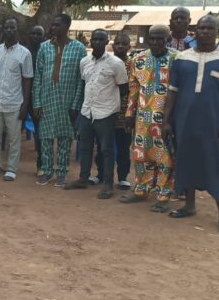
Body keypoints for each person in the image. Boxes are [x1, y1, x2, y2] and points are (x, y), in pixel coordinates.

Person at [163, 15, 219, 235]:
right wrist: (167, 120)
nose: (204, 31)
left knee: (218, 166)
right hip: (184, 121)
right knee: (186, 161)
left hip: (214, 124)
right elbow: (172, 93)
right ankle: (189, 205)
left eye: (209, 28)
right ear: (194, 31)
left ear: (217, 31)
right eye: (200, 28)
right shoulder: (182, 58)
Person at [119, 25, 178, 212]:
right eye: (152, 38)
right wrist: (129, 114)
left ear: (168, 39)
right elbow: (134, 90)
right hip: (142, 119)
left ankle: (163, 194)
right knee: (140, 154)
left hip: (166, 119)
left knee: (165, 158)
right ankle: (141, 189)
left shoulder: (178, 60)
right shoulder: (138, 60)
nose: (155, 42)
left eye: (160, 39)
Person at [64, 29, 128, 199]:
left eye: (101, 39)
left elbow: (123, 89)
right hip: (87, 111)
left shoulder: (116, 64)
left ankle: (107, 184)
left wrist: (110, 104)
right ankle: (83, 178)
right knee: (84, 146)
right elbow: (86, 83)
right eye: (95, 39)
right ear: (90, 41)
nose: (97, 42)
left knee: (106, 149)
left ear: (107, 42)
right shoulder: (84, 62)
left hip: (106, 113)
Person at [32, 14, 85, 187]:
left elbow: (80, 79)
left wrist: (76, 104)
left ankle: (62, 172)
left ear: (67, 27)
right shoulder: (44, 47)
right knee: (45, 137)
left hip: (67, 101)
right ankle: (47, 171)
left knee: (65, 138)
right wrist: (37, 102)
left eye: (57, 25)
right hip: (47, 98)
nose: (53, 28)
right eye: (52, 25)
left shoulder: (79, 49)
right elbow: (38, 76)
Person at [0, 19, 33, 181]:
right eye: (6, 28)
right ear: (3, 31)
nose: (9, 30)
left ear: (17, 30)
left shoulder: (24, 53)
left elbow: (27, 80)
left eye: (12, 28)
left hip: (14, 103)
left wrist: (24, 106)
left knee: (14, 139)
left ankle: (11, 169)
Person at [90, 33, 133, 188]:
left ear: (130, 47)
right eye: (117, 43)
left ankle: (122, 177)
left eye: (124, 44)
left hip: (124, 114)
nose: (120, 46)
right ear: (112, 45)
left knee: (123, 147)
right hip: (105, 113)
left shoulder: (133, 65)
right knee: (102, 147)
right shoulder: (104, 62)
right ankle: (101, 175)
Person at [27, 25, 46, 171]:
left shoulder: (46, 51)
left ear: (43, 36)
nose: (35, 36)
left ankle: (41, 163)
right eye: (33, 33)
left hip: (39, 98)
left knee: (40, 131)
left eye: (38, 34)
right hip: (22, 96)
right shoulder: (24, 51)